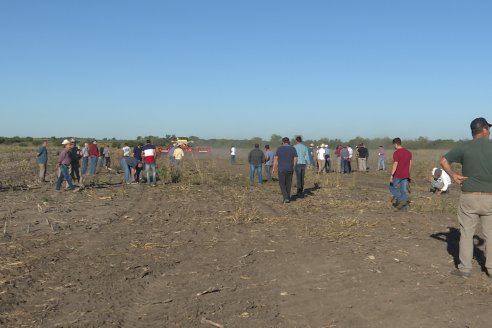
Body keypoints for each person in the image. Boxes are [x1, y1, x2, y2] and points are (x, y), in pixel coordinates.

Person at [440, 117, 492, 278]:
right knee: (490, 234)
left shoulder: (464, 146)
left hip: (469, 196)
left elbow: (443, 161)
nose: (489, 131)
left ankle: (464, 269)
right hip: (490, 196)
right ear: (484, 130)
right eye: (488, 129)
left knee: (466, 233)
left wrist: (454, 175)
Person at [272, 137, 298, 203]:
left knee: (282, 183)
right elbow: (295, 159)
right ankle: (287, 197)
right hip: (290, 168)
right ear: (288, 142)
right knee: (288, 183)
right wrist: (294, 166)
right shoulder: (293, 148)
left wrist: (273, 168)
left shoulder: (279, 149)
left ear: (283, 142)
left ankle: (286, 197)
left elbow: (275, 159)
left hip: (281, 169)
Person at [389, 137, 412, 210]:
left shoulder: (396, 153)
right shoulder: (409, 152)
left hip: (398, 174)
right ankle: (404, 207)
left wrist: (392, 175)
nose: (394, 147)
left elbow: (395, 164)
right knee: (403, 190)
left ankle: (401, 199)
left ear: (395, 144)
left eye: (394, 145)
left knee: (391, 187)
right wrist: (408, 174)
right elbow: (410, 164)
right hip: (406, 174)